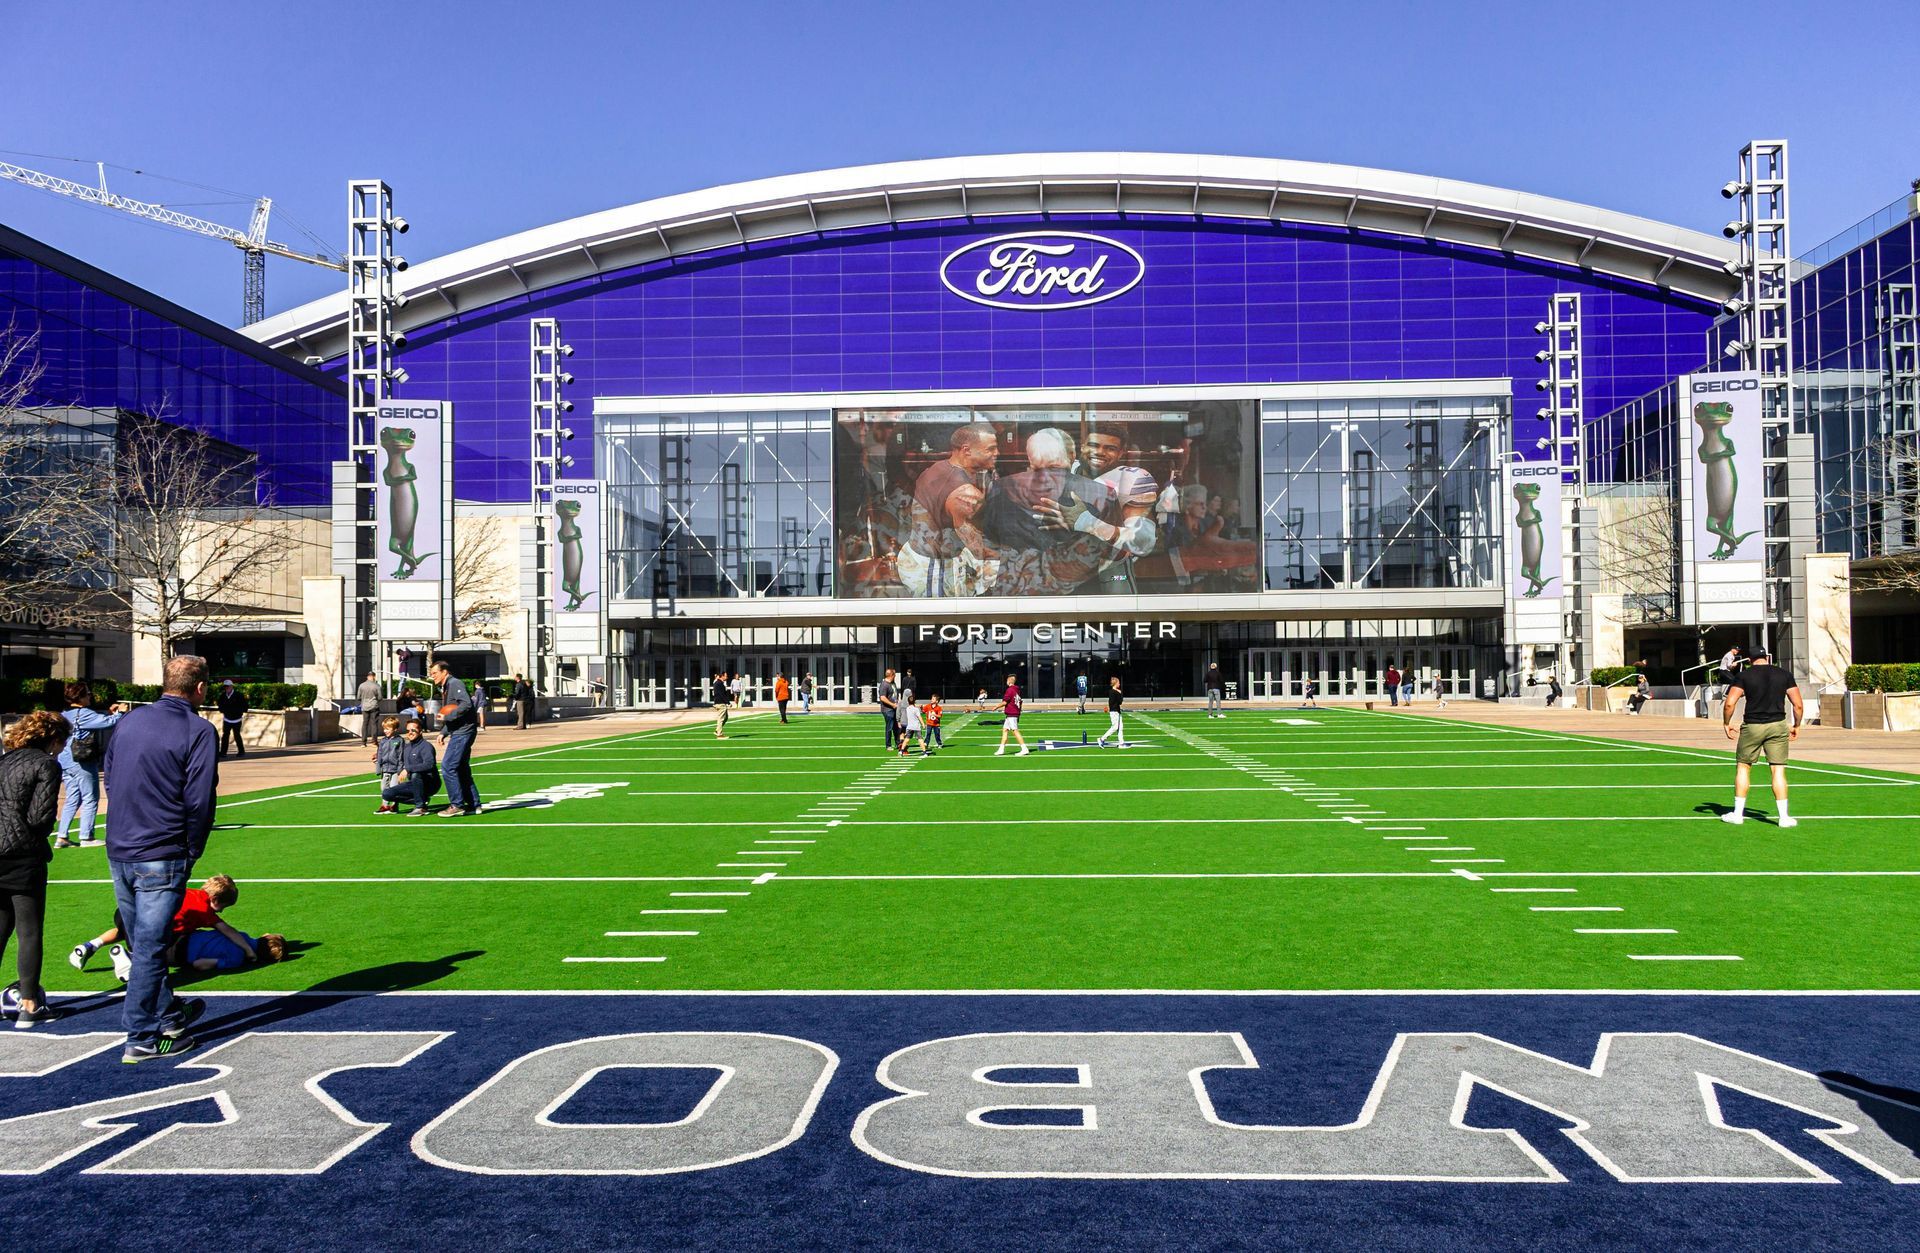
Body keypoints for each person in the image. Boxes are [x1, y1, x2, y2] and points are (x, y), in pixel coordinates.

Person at [104, 653, 217, 1062]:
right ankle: (142, 1035)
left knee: (142, 941)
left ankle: (168, 1014)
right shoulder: (199, 729)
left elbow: (111, 778)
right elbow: (200, 798)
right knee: (150, 947)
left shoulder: (128, 722)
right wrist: (192, 848)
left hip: (121, 846)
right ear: (200, 688)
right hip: (162, 849)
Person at [0, 711, 70, 1027]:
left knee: (0, 927)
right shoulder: (46, 764)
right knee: (29, 929)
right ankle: (29, 1004)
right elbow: (41, 818)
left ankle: (25, 1000)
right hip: (23, 856)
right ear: (53, 740)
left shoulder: (4, 761)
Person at [72, 872, 248, 974]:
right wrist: (248, 950)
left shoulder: (189, 892)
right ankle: (129, 958)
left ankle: (90, 946)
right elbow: (228, 931)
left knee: (123, 930)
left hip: (128, 911)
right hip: (151, 926)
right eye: (223, 907)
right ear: (215, 899)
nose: (222, 911)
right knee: (166, 945)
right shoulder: (204, 910)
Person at [1721, 647, 1802, 828]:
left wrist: (1726, 723)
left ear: (1750, 660)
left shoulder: (1744, 676)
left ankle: (1737, 814)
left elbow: (1729, 703)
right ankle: (1784, 817)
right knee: (1778, 771)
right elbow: (1797, 704)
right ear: (1767, 657)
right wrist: (1796, 725)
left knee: (1743, 767)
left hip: (1752, 726)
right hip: (1777, 725)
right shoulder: (1784, 674)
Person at [54, 681, 127, 849]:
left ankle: (62, 836)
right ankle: (87, 836)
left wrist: (110, 713)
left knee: (72, 798)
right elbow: (108, 723)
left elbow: (100, 720)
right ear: (79, 697)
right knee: (90, 797)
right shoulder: (84, 713)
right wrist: (120, 713)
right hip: (82, 760)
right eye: (87, 693)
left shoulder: (65, 714)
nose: (90, 696)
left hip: (66, 760)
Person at [429, 659, 481, 818]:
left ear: (445, 672)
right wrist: (444, 731)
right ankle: (474, 804)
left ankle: (457, 804)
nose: (432, 677)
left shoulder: (455, 683)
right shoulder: (447, 686)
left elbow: (466, 705)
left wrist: (447, 716)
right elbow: (454, 713)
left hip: (463, 732)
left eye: (435, 673)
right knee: (461, 768)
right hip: (459, 730)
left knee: (448, 766)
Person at [379, 721, 442, 815]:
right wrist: (380, 758)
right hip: (413, 783)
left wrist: (408, 769)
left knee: (416, 774)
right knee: (387, 794)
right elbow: (397, 759)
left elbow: (429, 764)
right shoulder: (407, 747)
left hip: (430, 783)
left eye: (413, 730)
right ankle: (422, 800)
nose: (410, 732)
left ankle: (420, 807)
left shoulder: (426, 746)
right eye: (408, 730)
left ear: (420, 731)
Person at [170, 928, 287, 974]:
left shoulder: (242, 935)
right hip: (179, 953)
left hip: (181, 934)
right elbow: (199, 964)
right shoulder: (236, 960)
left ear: (265, 936)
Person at [372, 715, 405, 813]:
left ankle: (394, 805)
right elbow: (380, 754)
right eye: (384, 729)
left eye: (388, 729)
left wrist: (400, 769)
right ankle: (385, 805)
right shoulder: (383, 741)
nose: (385, 731)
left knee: (394, 787)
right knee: (384, 788)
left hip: (395, 769)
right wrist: (378, 767)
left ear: (395, 729)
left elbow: (401, 755)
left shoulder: (399, 740)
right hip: (385, 768)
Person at [995, 674, 1030, 757]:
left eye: (1007, 680)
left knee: (1015, 731)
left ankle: (1024, 748)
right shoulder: (1017, 690)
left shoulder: (1010, 690)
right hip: (1012, 714)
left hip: (1012, 714)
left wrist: (996, 707)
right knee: (1005, 730)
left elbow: (1005, 702)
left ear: (1009, 681)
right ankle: (1001, 749)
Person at [215, 679, 249, 758]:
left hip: (237, 719)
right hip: (227, 719)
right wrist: (223, 710)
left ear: (231, 686)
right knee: (225, 736)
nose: (226, 688)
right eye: (225, 687)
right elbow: (220, 705)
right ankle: (223, 752)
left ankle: (241, 751)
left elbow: (245, 706)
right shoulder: (223, 696)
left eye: (228, 686)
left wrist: (238, 712)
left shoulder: (239, 695)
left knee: (237, 735)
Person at [1097, 676, 1126, 748]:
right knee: (1115, 727)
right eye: (1118, 682)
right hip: (1115, 712)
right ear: (1115, 683)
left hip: (1116, 711)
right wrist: (1120, 693)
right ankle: (1102, 739)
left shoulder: (1112, 692)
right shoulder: (1114, 692)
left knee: (1120, 727)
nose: (1119, 684)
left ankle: (1121, 743)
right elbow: (1120, 702)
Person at [876, 668, 900, 750]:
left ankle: (898, 743)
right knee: (889, 727)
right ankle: (888, 745)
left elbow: (895, 694)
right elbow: (882, 698)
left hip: (895, 708)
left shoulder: (892, 683)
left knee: (896, 727)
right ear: (891, 675)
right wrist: (892, 704)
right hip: (888, 709)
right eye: (894, 674)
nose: (895, 676)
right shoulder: (884, 685)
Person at [356, 672, 382, 744]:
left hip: (364, 706)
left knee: (365, 723)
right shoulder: (377, 686)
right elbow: (380, 698)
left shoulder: (361, 685)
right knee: (374, 724)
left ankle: (363, 742)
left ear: (367, 677)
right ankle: (374, 741)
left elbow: (358, 698)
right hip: (374, 706)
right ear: (373, 677)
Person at [711, 671, 732, 740]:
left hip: (720, 702)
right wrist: (728, 702)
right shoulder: (719, 683)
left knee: (725, 718)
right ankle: (719, 735)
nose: (727, 677)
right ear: (722, 676)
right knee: (721, 719)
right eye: (726, 676)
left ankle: (717, 730)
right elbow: (721, 694)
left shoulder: (720, 683)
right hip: (720, 703)